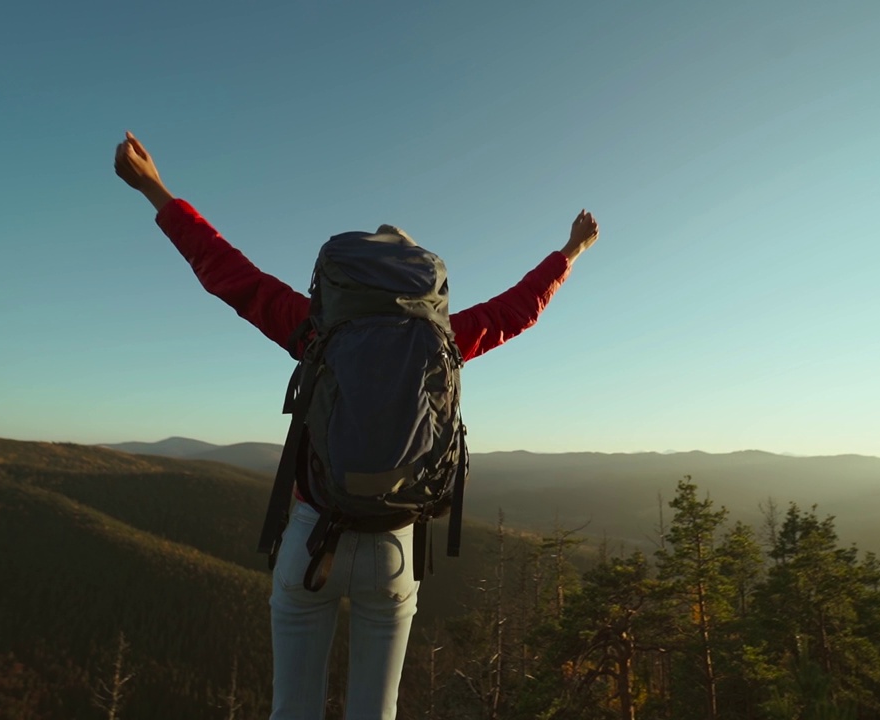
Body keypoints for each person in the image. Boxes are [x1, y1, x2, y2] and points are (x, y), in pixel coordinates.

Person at [112, 131, 600, 719]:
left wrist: (154, 189)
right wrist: (570, 253)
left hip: (311, 535)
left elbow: (226, 270)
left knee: (293, 711)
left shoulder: (315, 330)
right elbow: (518, 309)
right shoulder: (445, 340)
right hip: (394, 547)